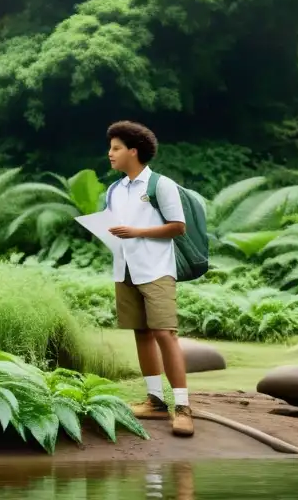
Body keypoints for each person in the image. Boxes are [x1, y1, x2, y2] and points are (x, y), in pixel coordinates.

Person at [105, 120, 193, 437]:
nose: (110, 154)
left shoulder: (160, 185)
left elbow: (177, 226)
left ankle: (182, 407)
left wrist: (136, 232)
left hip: (156, 269)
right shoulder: (114, 190)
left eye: (116, 148)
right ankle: (155, 402)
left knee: (164, 333)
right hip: (125, 267)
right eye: (110, 148)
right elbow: (114, 227)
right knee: (141, 333)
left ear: (133, 151)